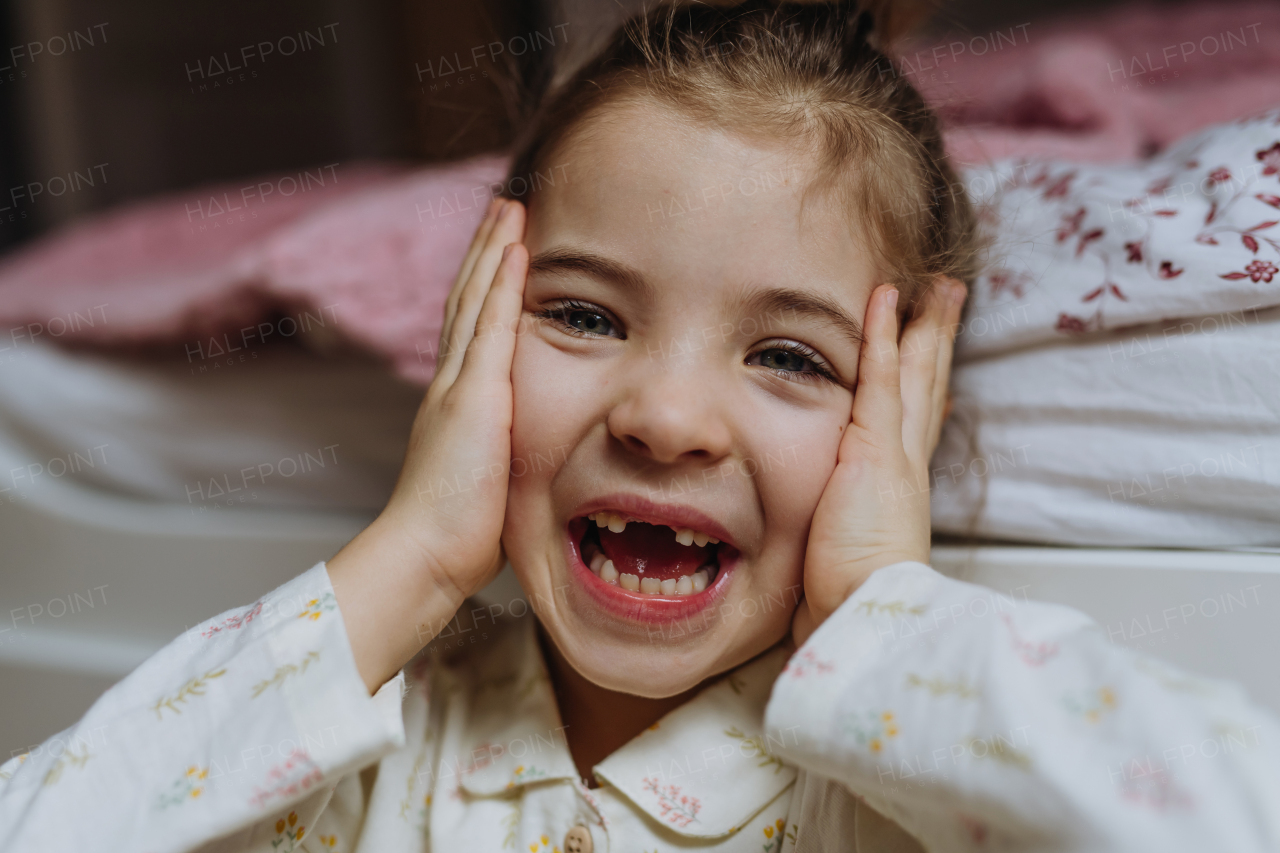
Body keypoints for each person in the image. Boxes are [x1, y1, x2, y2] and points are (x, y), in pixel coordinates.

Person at [2, 2, 1277, 851]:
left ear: (891, 422)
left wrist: (886, 606)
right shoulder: (355, 747)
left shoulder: (894, 780)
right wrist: (407, 564)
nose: (665, 417)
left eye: (786, 355)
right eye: (584, 317)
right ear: (473, 332)